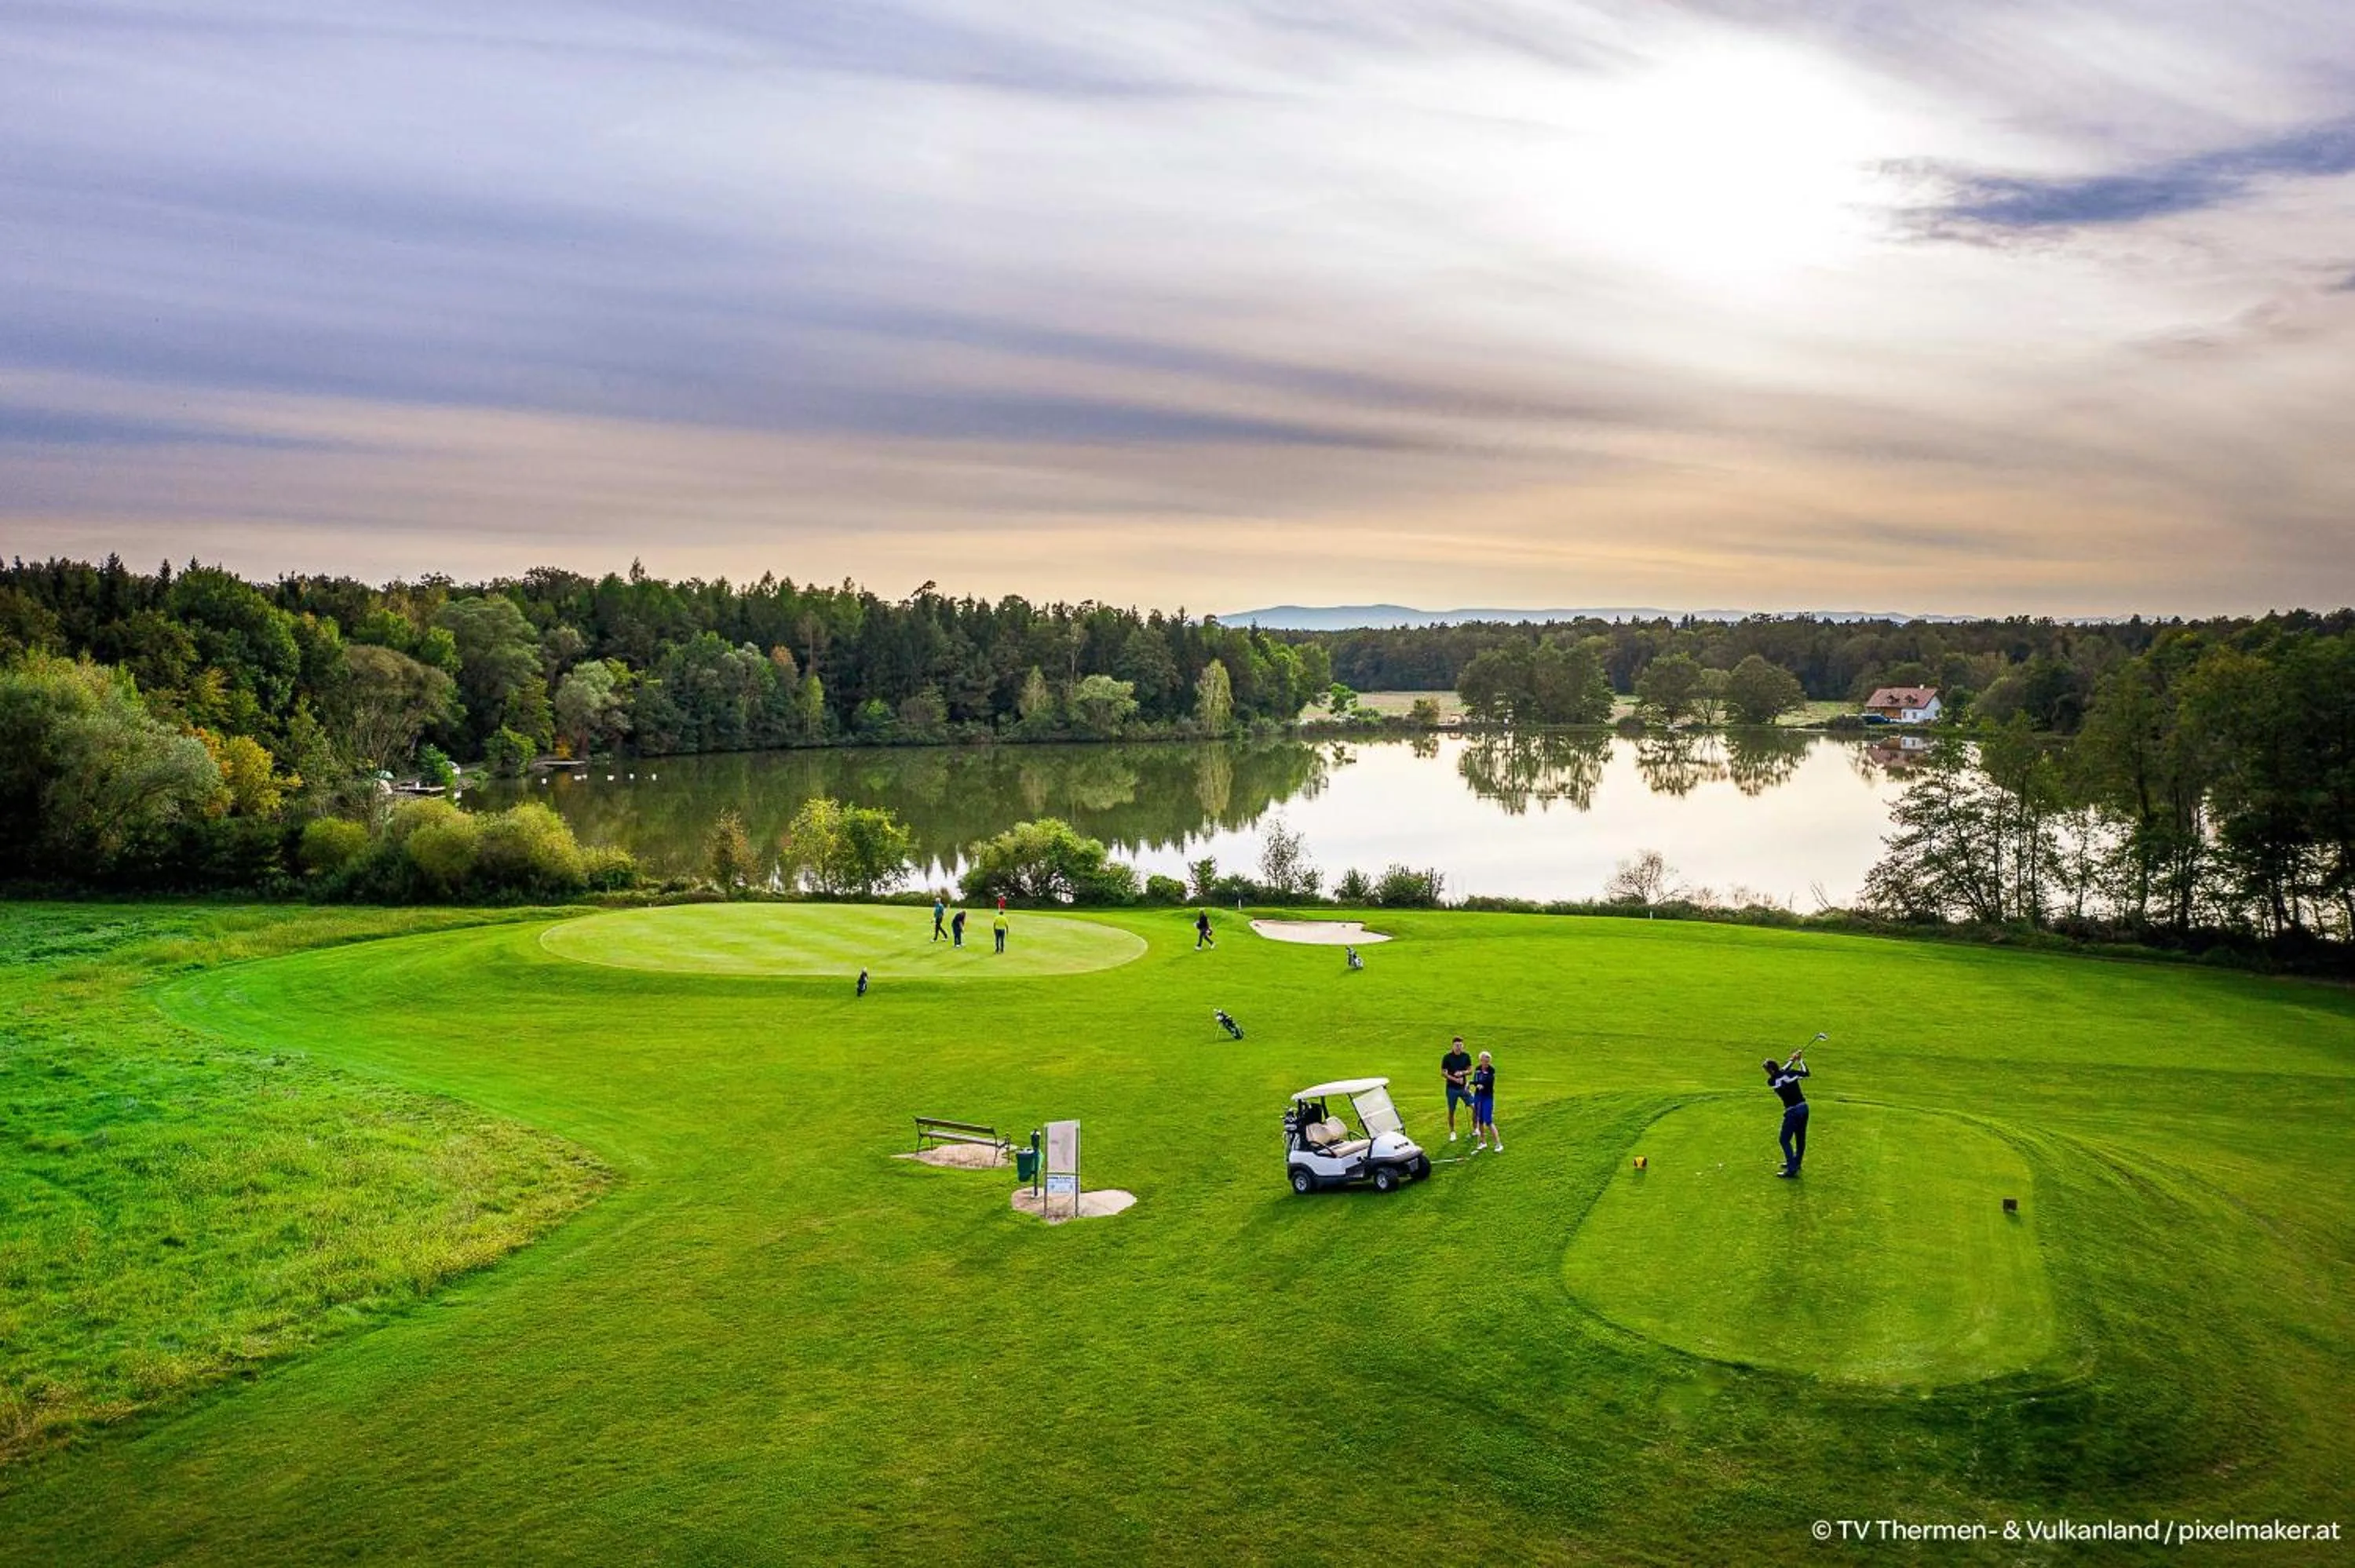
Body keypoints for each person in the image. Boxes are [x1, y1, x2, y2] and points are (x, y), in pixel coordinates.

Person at [1764, 1047, 1810, 1176]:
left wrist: (1792, 1060)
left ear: (1771, 1070)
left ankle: (1792, 1168)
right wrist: (1799, 1061)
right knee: (1800, 1138)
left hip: (1792, 1112)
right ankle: (1796, 1162)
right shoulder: (1790, 1074)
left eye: (1767, 1070)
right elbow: (1806, 1073)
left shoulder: (1772, 1081)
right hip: (1803, 1108)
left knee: (1784, 1139)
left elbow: (1780, 1073)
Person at [1440, 1036, 1474, 1142]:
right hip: (1451, 1089)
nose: (1458, 1047)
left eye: (1460, 1045)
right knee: (1452, 1111)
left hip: (1464, 1088)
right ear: (1453, 1046)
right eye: (1456, 1045)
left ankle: (1475, 1128)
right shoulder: (1447, 1057)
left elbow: (1470, 1070)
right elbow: (1443, 1073)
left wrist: (1462, 1073)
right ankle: (1452, 1132)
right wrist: (1455, 1079)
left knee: (1474, 1107)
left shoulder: (1466, 1056)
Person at [1469, 1051, 1501, 1154]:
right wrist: (1470, 1083)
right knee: (1480, 1120)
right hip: (1478, 1096)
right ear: (1481, 1060)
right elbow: (1477, 1080)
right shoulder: (1478, 1069)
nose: (1486, 1063)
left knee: (1488, 1121)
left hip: (1487, 1097)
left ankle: (1498, 1144)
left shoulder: (1491, 1070)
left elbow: (1489, 1082)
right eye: (1484, 1061)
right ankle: (1483, 1142)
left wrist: (1482, 1085)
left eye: (1488, 1061)